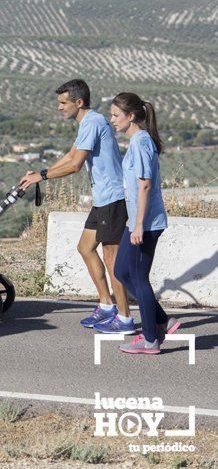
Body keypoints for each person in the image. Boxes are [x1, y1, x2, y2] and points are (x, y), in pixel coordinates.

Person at [19, 79, 134, 334]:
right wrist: (40, 172)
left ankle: (125, 319)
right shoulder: (87, 123)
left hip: (113, 199)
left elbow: (75, 165)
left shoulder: (92, 122)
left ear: (78, 102)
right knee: (85, 247)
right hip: (103, 199)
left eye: (63, 103)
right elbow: (71, 155)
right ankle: (106, 306)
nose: (59, 107)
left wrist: (43, 177)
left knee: (112, 259)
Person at [108, 93, 179, 354]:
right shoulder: (139, 141)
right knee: (122, 271)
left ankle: (150, 339)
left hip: (145, 223)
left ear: (132, 116)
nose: (112, 120)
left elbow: (145, 184)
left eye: (116, 115)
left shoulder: (140, 143)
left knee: (137, 276)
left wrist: (138, 224)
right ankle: (162, 320)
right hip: (137, 221)